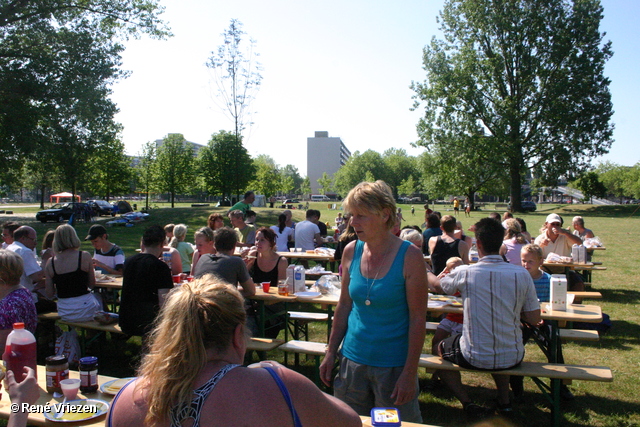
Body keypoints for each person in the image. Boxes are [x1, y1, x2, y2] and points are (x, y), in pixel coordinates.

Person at [106, 278, 361, 427]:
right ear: (238, 335)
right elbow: (350, 422)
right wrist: (274, 372)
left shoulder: (127, 398)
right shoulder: (279, 385)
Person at [319, 180, 428, 423]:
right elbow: (345, 305)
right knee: (350, 422)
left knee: (392, 424)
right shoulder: (351, 251)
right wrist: (330, 352)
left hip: (393, 367)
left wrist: (410, 373)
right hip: (352, 361)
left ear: (385, 214)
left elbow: (418, 317)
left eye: (361, 216)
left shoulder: (409, 256)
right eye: (351, 215)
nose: (352, 222)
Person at [434, 218, 540, 417]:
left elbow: (441, 287)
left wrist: (428, 274)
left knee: (437, 346)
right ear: (501, 242)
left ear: (478, 244)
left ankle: (468, 403)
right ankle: (504, 401)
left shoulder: (466, 272)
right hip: (513, 354)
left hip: (473, 355)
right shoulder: (521, 274)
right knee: (498, 341)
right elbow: (534, 319)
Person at [119, 225, 173, 337]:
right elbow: (164, 303)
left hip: (126, 319)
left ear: (143, 242)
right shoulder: (161, 267)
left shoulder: (129, 261)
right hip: (149, 323)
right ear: (162, 244)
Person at [44, 224, 101, 322]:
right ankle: (95, 336)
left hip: (64, 311)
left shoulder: (51, 262)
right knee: (99, 300)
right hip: (85, 308)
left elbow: (49, 293)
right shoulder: (84, 256)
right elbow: (92, 284)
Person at [192, 227, 256, 299]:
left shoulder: (203, 258)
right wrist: (227, 293)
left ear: (214, 245)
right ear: (234, 246)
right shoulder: (237, 262)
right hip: (223, 307)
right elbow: (251, 291)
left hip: (200, 304)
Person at [6, 227, 49, 312]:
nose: (35, 243)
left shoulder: (9, 249)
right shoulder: (25, 251)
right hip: (24, 299)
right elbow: (37, 277)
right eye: (33, 239)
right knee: (55, 307)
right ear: (23, 238)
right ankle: (44, 325)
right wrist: (46, 260)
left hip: (8, 297)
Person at [0, 250, 37, 350]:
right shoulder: (23, 292)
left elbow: (4, 348)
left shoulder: (7, 305)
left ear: (1, 275)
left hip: (11, 361)